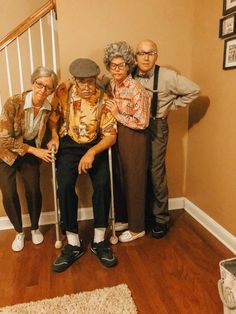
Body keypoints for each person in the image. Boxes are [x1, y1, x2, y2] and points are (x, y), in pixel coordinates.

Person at [47, 58, 118, 272]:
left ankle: (99, 241)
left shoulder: (104, 98)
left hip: (96, 144)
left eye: (90, 81)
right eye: (81, 82)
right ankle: (73, 244)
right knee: (65, 186)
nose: (86, 86)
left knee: (103, 184)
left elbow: (111, 136)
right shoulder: (64, 91)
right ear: (74, 80)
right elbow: (53, 118)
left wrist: (91, 152)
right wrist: (54, 136)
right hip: (69, 143)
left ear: (96, 79)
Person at [133, 39, 200, 238]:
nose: (145, 57)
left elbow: (194, 90)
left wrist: (171, 107)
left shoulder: (168, 77)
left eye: (150, 52)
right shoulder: (128, 73)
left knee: (156, 172)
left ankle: (161, 219)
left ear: (156, 56)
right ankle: (140, 216)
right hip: (132, 128)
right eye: (141, 53)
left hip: (156, 126)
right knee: (136, 170)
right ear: (135, 56)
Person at [0, 66, 58, 251]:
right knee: (9, 194)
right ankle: (19, 232)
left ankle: (34, 228)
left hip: (30, 152)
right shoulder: (13, 102)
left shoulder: (49, 109)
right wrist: (34, 150)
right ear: (33, 83)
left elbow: (54, 128)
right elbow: (4, 138)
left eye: (48, 87)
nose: (42, 90)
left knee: (33, 190)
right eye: (39, 84)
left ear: (52, 90)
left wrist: (53, 139)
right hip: (6, 152)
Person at [103, 41, 151, 242]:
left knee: (135, 181)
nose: (116, 69)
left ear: (129, 65)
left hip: (135, 138)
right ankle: (125, 219)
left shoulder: (136, 88)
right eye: (113, 65)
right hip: (119, 135)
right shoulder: (113, 83)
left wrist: (117, 114)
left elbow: (143, 122)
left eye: (121, 65)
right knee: (121, 178)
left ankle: (137, 227)